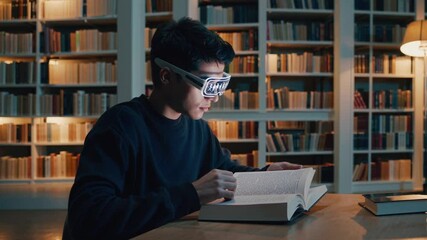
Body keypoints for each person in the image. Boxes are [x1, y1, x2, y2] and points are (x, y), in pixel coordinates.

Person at [62, 17, 302, 239]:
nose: (215, 97)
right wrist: (192, 195)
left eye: (221, 84)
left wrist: (265, 174)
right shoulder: (119, 127)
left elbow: (226, 172)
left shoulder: (198, 129)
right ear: (166, 76)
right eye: (208, 84)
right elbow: (89, 217)